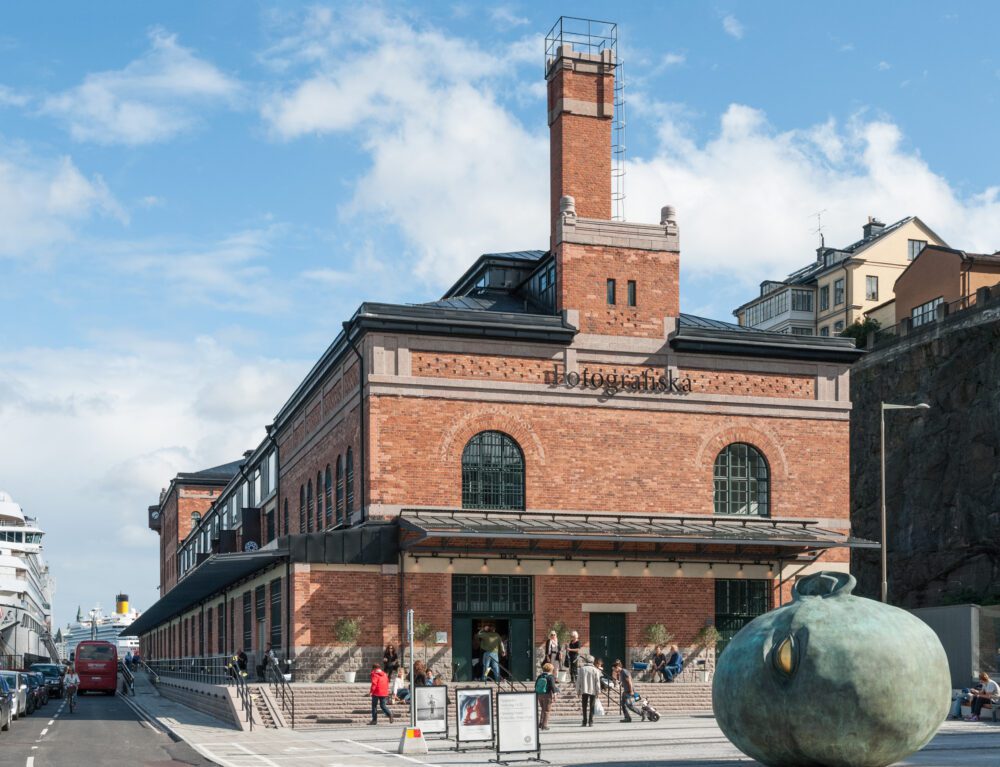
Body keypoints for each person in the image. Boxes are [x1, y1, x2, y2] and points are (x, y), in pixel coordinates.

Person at [576, 654, 601, 727]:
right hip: (593, 690)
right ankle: (591, 722)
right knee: (592, 706)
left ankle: (584, 721)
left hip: (584, 689)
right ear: (592, 661)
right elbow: (597, 681)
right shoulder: (595, 670)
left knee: (584, 706)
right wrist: (598, 691)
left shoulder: (582, 669)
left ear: (586, 661)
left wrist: (578, 690)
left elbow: (578, 681)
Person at [535, 661, 559, 730]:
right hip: (547, 695)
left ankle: (540, 723)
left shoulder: (540, 676)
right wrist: (555, 695)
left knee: (543, 709)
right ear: (551, 669)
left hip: (540, 694)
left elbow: (536, 685)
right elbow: (552, 686)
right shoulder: (550, 677)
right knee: (547, 710)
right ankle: (544, 725)